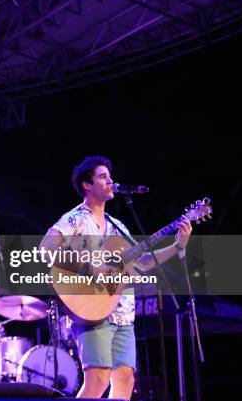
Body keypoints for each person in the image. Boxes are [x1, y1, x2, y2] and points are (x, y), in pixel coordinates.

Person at [41, 156, 192, 400]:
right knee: (98, 379)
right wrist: (91, 268)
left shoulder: (117, 226)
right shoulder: (75, 219)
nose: (111, 181)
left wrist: (177, 246)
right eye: (103, 177)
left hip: (122, 311)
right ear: (87, 185)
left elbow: (142, 263)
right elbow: (46, 248)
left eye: (110, 176)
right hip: (91, 307)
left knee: (125, 380)